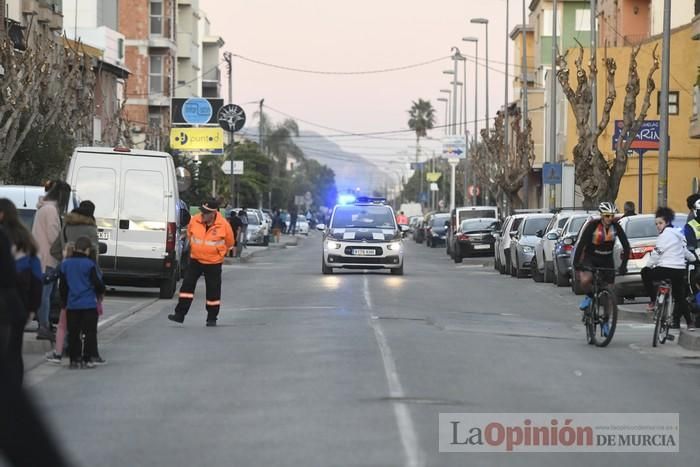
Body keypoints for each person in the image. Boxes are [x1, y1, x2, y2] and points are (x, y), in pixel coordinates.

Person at [47, 200, 105, 365]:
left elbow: (54, 250)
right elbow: (95, 255)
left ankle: (64, 352)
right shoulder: (91, 230)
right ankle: (91, 355)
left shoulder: (66, 228)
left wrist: (66, 261)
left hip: (68, 276)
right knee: (89, 324)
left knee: (65, 321)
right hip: (87, 280)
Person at [168, 199, 234, 326]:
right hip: (195, 260)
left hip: (213, 263)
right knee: (186, 287)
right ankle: (180, 314)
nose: (202, 215)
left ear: (213, 214)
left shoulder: (224, 225)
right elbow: (189, 234)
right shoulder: (195, 220)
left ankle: (212, 318)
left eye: (205, 213)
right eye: (202, 212)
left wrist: (219, 252)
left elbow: (230, 242)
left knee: (213, 291)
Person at [0, 200, 42, 387]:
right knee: (15, 352)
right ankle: (14, 392)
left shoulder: (3, 238)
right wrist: (33, 307)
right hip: (20, 304)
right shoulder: (26, 240)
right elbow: (37, 278)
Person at [572, 202, 631, 333]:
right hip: (591, 258)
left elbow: (626, 246)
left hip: (606, 259)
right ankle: (589, 296)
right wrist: (577, 263)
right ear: (602, 216)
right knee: (586, 279)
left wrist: (623, 266)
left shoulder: (616, 227)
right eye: (607, 215)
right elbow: (581, 244)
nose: (610, 218)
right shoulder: (592, 226)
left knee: (609, 294)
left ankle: (605, 321)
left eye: (612, 215)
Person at [641, 207, 697, 330]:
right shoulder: (679, 234)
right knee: (679, 297)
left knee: (644, 273)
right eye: (656, 224)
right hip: (679, 271)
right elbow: (685, 251)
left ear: (667, 222)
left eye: (660, 223)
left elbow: (657, 253)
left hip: (665, 269)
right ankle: (690, 323)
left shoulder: (663, 236)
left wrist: (648, 266)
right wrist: (694, 260)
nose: (658, 226)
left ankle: (652, 300)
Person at [32, 180, 71, 340]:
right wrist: (64, 249)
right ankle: (44, 326)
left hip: (40, 256)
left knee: (45, 294)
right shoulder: (51, 211)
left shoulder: (43, 209)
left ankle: (45, 324)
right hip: (48, 258)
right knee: (46, 295)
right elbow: (53, 235)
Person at [58, 236, 105, 369]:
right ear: (87, 250)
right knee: (89, 333)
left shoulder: (65, 264)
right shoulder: (89, 264)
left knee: (73, 333)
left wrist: (64, 300)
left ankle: (74, 359)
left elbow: (63, 286)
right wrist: (101, 291)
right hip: (88, 304)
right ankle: (87, 358)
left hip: (72, 304)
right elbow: (97, 283)